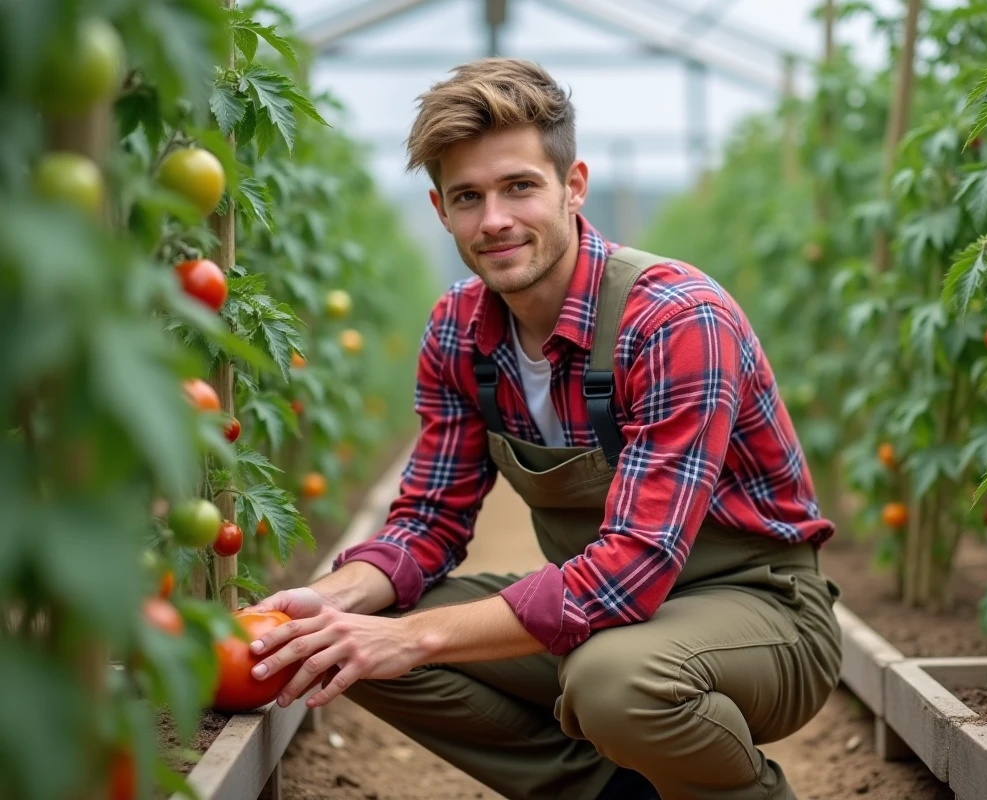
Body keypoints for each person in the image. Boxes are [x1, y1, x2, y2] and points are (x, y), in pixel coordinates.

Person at [242, 57, 842, 800]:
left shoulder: (675, 318)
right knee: (338, 647)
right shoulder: (459, 331)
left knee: (613, 681)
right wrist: (333, 602)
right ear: (441, 211)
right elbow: (428, 521)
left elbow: (634, 566)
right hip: (614, 614)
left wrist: (408, 638)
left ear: (574, 186)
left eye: (519, 186)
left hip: (757, 608)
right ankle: (619, 793)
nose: (494, 219)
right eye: (468, 197)